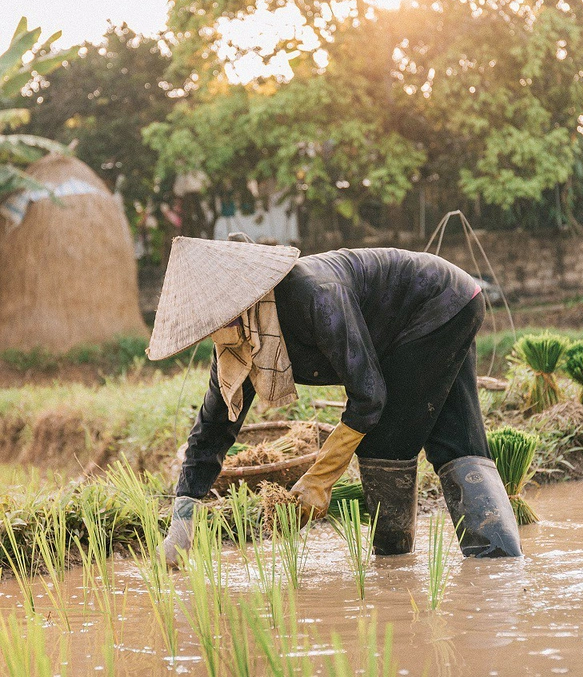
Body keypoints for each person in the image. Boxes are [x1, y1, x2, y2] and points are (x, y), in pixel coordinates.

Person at [148, 236, 522, 565]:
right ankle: (499, 565)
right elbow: (214, 426)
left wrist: (319, 479)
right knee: (455, 437)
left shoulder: (313, 294)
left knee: (387, 441)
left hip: (435, 304)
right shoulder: (240, 342)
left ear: (240, 300)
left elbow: (369, 396)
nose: (212, 331)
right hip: (443, 307)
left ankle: (393, 564)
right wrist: (183, 519)